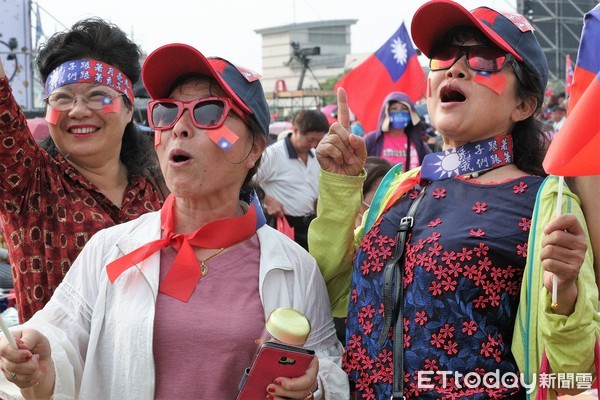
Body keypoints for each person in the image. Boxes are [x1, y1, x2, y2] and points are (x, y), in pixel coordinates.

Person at [0, 43, 348, 400]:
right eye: (167, 112)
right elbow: (60, 339)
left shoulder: (296, 268)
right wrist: (38, 363)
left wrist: (314, 387)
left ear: (255, 148)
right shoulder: (110, 248)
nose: (179, 127)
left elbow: (327, 366)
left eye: (209, 112)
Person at [309, 1, 598, 398]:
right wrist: (340, 189)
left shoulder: (547, 199)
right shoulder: (399, 186)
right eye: (445, 56)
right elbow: (332, 294)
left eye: (483, 60)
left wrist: (565, 296)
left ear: (524, 104)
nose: (456, 68)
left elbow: (573, 373)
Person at [0, 18, 168, 323]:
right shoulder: (29, 183)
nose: (77, 110)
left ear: (129, 108)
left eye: (97, 95)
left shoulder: (160, 186)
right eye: (62, 98)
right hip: (55, 368)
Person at [255, 109, 329, 250]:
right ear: (295, 130)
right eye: (310, 139)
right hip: (283, 224)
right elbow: (248, 182)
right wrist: (268, 201)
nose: (314, 144)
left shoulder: (316, 156)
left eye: (318, 140)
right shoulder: (273, 154)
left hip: (310, 224)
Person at [363, 92, 431, 170]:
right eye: (394, 108)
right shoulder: (372, 140)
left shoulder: (417, 143)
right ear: (386, 112)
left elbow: (431, 167)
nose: (399, 113)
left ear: (411, 113)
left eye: (404, 109)